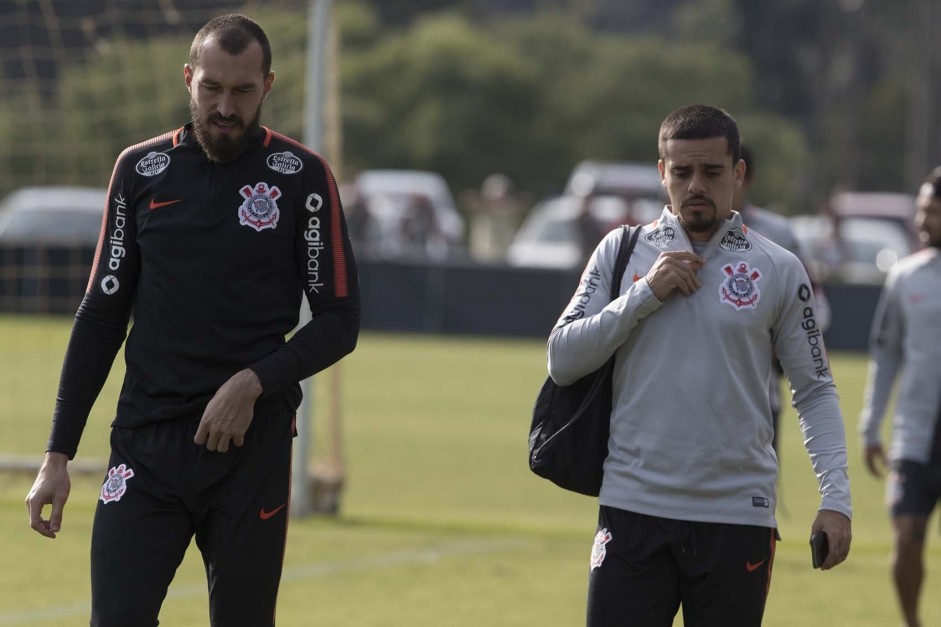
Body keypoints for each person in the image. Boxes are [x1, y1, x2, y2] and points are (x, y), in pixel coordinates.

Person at [24, 14, 359, 627]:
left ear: (268, 85)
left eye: (242, 91)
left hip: (250, 452)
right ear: (188, 79)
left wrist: (253, 382)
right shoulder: (140, 171)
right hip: (146, 447)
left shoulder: (303, 179)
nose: (225, 108)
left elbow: (339, 319)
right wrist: (57, 455)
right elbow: (101, 314)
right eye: (212, 89)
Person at [547, 104, 852, 626]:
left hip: (736, 516)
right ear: (662, 173)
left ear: (737, 174)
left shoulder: (778, 268)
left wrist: (836, 497)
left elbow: (815, 389)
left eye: (712, 172)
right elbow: (563, 359)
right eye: (682, 172)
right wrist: (644, 294)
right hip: (633, 508)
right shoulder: (622, 251)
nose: (696, 186)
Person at [858, 166, 941, 627]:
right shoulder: (906, 276)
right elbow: (885, 355)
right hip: (915, 435)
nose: (922, 220)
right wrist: (871, 425)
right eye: (921, 210)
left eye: (933, 212)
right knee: (907, 536)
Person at [732, 144, 831, 456]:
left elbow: (816, 306)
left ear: (743, 176)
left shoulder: (778, 233)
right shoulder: (673, 236)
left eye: (715, 172)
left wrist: (784, 341)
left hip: (762, 396)